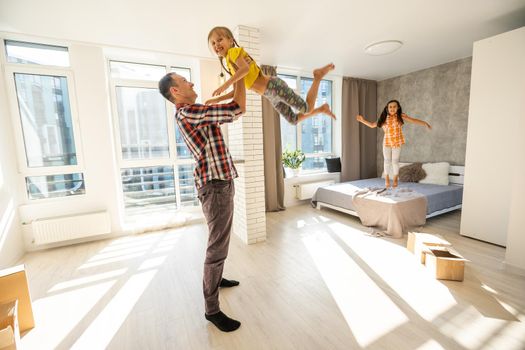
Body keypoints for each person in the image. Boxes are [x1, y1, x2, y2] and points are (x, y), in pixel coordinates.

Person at [158, 72, 245, 332]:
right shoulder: (188, 113)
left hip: (220, 183)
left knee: (220, 242)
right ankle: (212, 310)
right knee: (216, 249)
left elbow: (230, 106)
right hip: (215, 187)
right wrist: (241, 72)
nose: (192, 83)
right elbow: (238, 107)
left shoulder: (195, 111)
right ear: (175, 91)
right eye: (185, 81)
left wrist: (232, 81)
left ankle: (216, 280)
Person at [206, 26, 336, 125]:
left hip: (273, 87)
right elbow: (237, 90)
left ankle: (317, 77)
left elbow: (245, 69)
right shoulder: (230, 63)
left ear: (230, 40)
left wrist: (224, 85)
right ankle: (321, 109)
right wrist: (217, 100)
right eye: (213, 43)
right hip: (270, 94)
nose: (216, 44)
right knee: (293, 120)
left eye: (219, 40)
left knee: (306, 108)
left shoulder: (233, 52)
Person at [356, 99, 431, 188]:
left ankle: (395, 178)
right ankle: (387, 178)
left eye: (394, 106)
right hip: (387, 142)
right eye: (390, 107)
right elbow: (372, 125)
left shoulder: (401, 116)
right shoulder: (384, 118)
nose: (392, 108)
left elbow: (413, 120)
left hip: (397, 142)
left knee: (395, 162)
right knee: (387, 161)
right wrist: (362, 120)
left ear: (398, 107)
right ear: (387, 109)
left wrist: (424, 123)